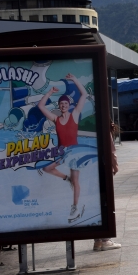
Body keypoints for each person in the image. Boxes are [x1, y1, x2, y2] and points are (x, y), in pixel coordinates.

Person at [37, 73, 88, 224]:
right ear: (59, 106)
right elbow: (40, 106)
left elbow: (84, 94)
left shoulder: (75, 115)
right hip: (62, 153)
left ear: (69, 105)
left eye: (65, 104)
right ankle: (67, 179)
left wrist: (75, 80)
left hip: (74, 154)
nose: (63, 105)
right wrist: (50, 93)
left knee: (77, 181)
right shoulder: (56, 119)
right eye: (61, 104)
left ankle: (75, 207)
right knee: (47, 168)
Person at [94, 122, 121, 251]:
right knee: (105, 203)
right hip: (104, 170)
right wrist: (115, 167)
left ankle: (97, 240)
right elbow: (111, 151)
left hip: (90, 171)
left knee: (96, 203)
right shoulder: (105, 129)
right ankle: (105, 240)